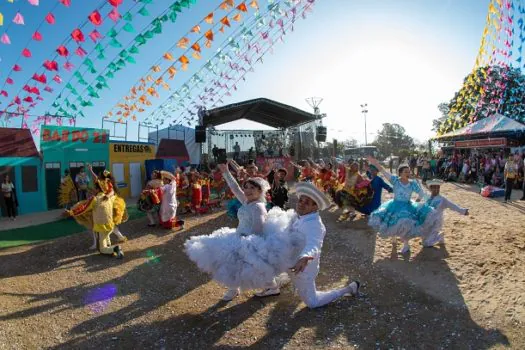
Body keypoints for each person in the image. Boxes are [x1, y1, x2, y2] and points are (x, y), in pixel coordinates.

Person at [255, 182, 360, 308]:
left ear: (315, 207)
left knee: (312, 303)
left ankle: (348, 289)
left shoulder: (315, 225)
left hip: (303, 269)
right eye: (301, 200)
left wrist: (305, 257)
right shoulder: (297, 216)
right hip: (290, 263)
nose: (301, 204)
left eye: (307, 202)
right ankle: (276, 284)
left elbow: (314, 244)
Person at [184, 161, 274, 301]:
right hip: (238, 236)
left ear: (260, 191)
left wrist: (248, 246)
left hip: (250, 241)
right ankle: (234, 288)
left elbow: (258, 229)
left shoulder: (258, 207)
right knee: (231, 263)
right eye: (247, 187)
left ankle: (272, 286)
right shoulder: (247, 201)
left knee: (251, 266)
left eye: (252, 188)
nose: (248, 190)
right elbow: (235, 188)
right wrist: (226, 172)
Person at [367, 156, 438, 254]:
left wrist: (422, 201)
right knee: (393, 222)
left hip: (407, 206)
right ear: (400, 173)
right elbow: (383, 171)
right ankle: (394, 238)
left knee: (405, 224)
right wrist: (375, 163)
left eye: (409, 172)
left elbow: (421, 194)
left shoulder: (413, 183)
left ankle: (406, 245)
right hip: (395, 205)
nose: (408, 173)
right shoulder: (395, 180)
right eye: (406, 172)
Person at [66, 181, 124, 259]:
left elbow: (83, 209)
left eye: (94, 188)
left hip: (101, 227)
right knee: (106, 238)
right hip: (110, 225)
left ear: (97, 189)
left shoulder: (94, 199)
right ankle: (109, 247)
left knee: (101, 249)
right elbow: (112, 191)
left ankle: (115, 249)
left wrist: (71, 212)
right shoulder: (110, 197)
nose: (93, 190)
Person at [422, 179, 469, 247]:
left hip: (436, 223)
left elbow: (453, 206)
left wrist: (463, 211)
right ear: (430, 188)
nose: (436, 189)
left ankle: (440, 235)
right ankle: (437, 237)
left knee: (426, 244)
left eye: (438, 187)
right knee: (424, 240)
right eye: (434, 187)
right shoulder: (427, 197)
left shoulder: (442, 199)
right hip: (427, 222)